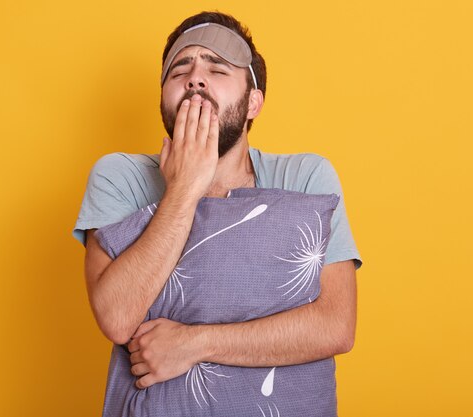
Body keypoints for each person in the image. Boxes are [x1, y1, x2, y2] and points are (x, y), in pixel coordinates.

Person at [73, 11, 362, 417]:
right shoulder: (119, 176)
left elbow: (335, 325)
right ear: (163, 99)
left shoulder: (306, 177)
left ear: (253, 102)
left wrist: (195, 343)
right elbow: (118, 318)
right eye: (180, 71)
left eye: (217, 68)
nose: (194, 78)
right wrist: (186, 186)